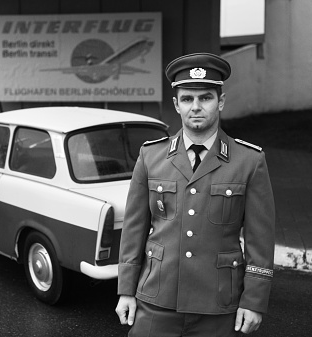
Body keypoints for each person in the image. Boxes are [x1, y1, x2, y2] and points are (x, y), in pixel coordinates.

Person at [115, 53, 275, 337]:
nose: (196, 107)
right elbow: (133, 230)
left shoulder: (249, 161)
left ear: (221, 101)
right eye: (188, 99)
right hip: (156, 299)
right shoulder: (151, 156)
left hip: (219, 304)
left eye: (206, 98)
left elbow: (259, 240)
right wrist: (126, 290)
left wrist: (254, 301)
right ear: (176, 104)